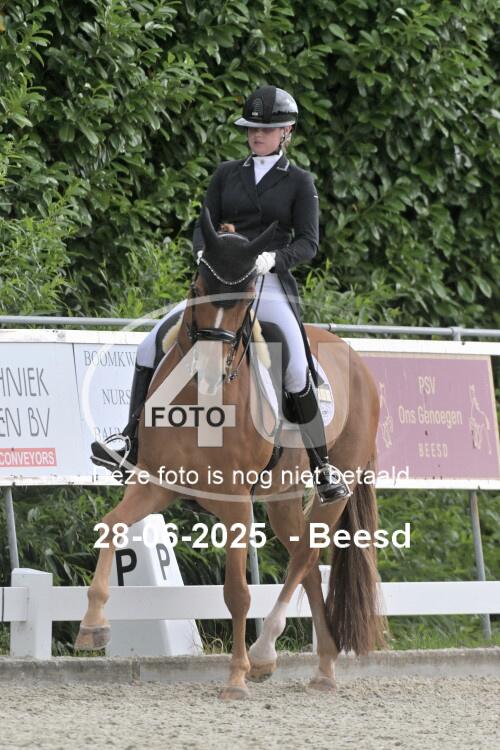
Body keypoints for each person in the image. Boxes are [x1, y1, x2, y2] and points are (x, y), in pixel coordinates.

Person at [91, 85, 350, 502]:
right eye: (251, 129)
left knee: (296, 365)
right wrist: (203, 252)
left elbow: (308, 242)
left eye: (265, 130)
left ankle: (321, 466)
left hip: (265, 281)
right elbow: (203, 225)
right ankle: (129, 442)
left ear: (286, 132)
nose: (256, 135)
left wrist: (273, 259)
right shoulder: (227, 174)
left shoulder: (300, 182)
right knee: (148, 344)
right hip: (219, 278)